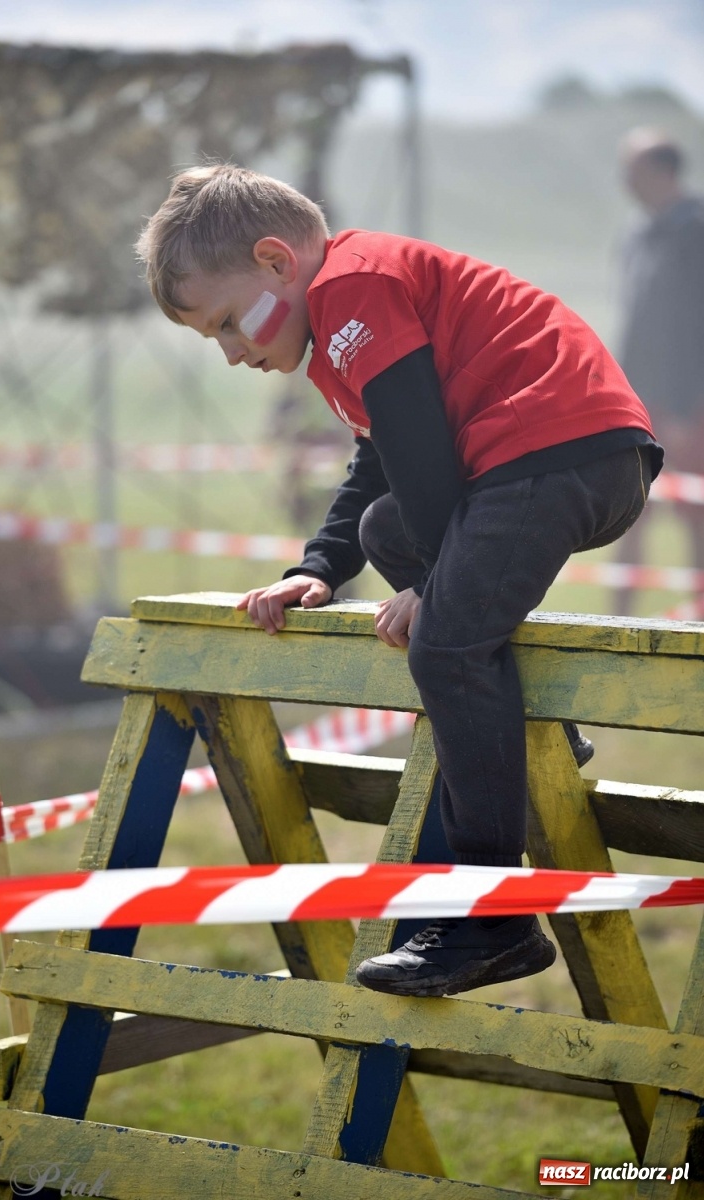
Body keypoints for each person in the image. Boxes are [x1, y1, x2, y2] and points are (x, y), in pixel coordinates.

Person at [136, 164, 662, 998]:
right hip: (548, 461)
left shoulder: (355, 287)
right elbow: (381, 466)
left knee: (445, 652)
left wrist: (438, 580)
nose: (233, 353)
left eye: (228, 324)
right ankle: (524, 737)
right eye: (217, 341)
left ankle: (494, 925)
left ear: (277, 261)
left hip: (558, 455)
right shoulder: (340, 322)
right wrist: (319, 568)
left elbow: (421, 458)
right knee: (387, 530)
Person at [613, 128, 704, 614]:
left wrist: (688, 405)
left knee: (696, 516)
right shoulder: (637, 233)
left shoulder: (696, 231)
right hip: (638, 403)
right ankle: (617, 618)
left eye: (633, 169)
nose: (625, 180)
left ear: (661, 171)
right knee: (629, 511)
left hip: (689, 404)